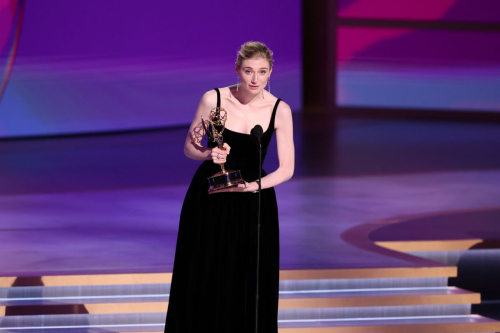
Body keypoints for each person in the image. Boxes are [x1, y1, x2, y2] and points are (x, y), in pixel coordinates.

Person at [164, 41, 294, 333]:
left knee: (248, 277)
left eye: (262, 72)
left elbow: (286, 169)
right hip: (211, 196)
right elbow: (189, 146)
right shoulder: (214, 100)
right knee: (205, 272)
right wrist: (209, 153)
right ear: (237, 70)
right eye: (248, 71)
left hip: (253, 202)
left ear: (271, 72)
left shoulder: (279, 110)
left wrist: (252, 187)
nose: (255, 79)